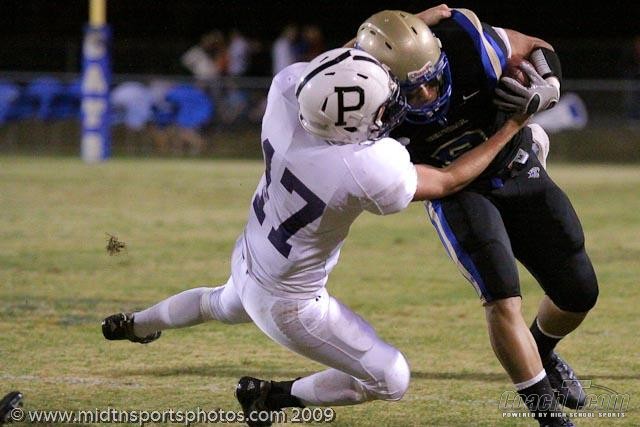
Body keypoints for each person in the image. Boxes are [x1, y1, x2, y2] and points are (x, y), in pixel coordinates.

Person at [101, 47, 531, 427]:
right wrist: (513, 124)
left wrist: (389, 38)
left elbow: (333, 68)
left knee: (216, 302)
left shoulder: (286, 96)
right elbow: (450, 178)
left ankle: (136, 324)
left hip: (252, 256)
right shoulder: (365, 166)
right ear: (354, 124)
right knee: (391, 378)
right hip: (291, 305)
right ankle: (272, 396)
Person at [351, 6, 598, 426]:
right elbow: (443, 182)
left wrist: (550, 87)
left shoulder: (464, 41)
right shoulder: (362, 105)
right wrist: (515, 123)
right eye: (412, 90)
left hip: (516, 164)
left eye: (431, 80)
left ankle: (540, 351)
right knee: (502, 296)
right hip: (455, 191)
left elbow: (534, 47)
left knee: (579, 291)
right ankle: (550, 419)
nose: (427, 95)